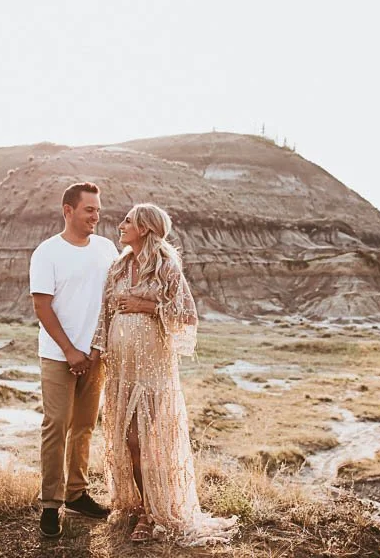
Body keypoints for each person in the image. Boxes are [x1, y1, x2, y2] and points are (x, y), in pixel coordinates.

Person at [90, 203, 237, 545]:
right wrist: (98, 351)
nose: (121, 225)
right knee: (127, 442)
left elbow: (186, 314)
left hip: (153, 369)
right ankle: (138, 504)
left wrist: (146, 306)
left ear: (144, 228)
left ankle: (150, 514)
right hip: (121, 370)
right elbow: (105, 314)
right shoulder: (118, 267)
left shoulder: (166, 266)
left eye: (128, 221)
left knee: (149, 442)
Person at [29, 182, 120, 538]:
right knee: (57, 425)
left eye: (98, 210)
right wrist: (70, 350)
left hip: (96, 354)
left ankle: (77, 494)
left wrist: (96, 348)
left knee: (84, 426)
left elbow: (112, 297)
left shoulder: (105, 248)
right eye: (89, 210)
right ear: (68, 210)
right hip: (57, 354)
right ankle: (50, 504)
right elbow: (41, 306)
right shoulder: (47, 252)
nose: (96, 216)